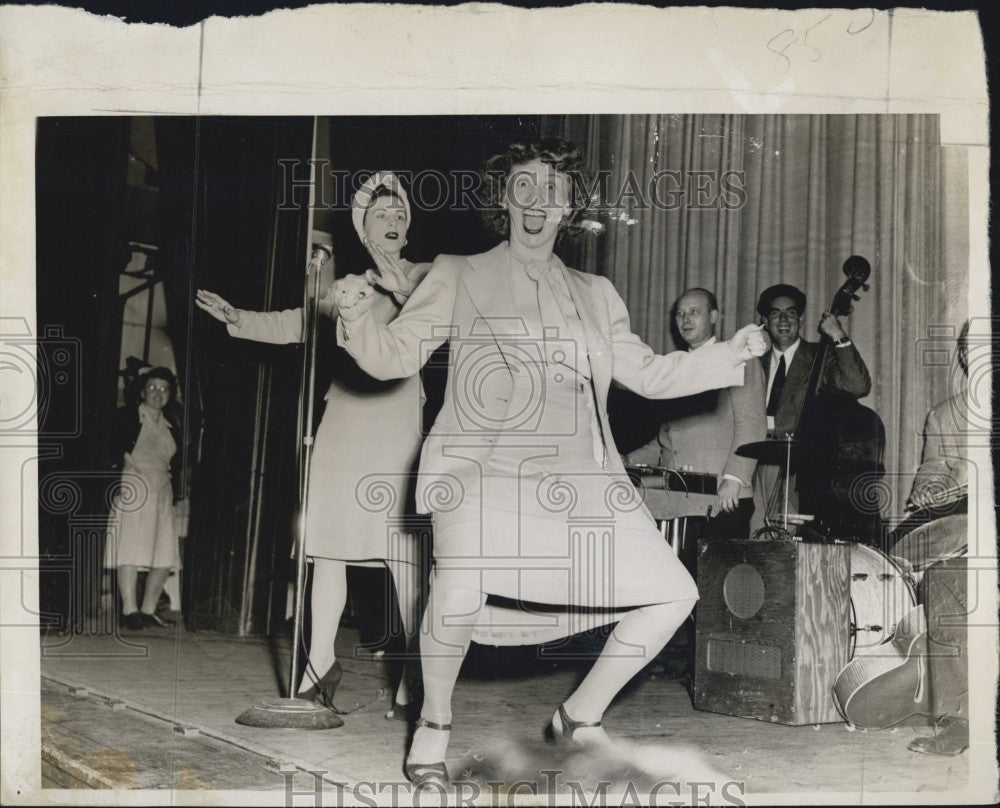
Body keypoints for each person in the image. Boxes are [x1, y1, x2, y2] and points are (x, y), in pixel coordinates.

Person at [335, 138, 769, 788]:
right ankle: (434, 722)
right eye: (525, 188)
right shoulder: (459, 272)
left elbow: (647, 373)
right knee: (457, 587)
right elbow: (394, 356)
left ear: (570, 207)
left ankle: (579, 716)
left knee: (674, 594)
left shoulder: (597, 293)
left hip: (580, 480)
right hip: (480, 470)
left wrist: (724, 355)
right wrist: (354, 314)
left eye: (554, 191)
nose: (540, 202)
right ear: (504, 201)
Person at [196, 172, 431, 717]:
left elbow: (429, 311)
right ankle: (316, 663)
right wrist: (239, 318)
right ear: (363, 229)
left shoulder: (425, 278)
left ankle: (418, 673)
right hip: (344, 420)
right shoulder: (345, 283)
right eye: (382, 216)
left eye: (400, 215)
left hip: (396, 422)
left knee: (401, 551)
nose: (393, 222)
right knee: (327, 548)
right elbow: (296, 323)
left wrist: (392, 284)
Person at [626, 288, 766, 545]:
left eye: (694, 312)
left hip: (723, 497)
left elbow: (752, 425)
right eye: (680, 313)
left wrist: (734, 480)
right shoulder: (673, 368)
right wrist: (625, 461)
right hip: (676, 500)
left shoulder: (740, 359)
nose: (685, 319)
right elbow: (664, 441)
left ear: (714, 316)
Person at [894, 321, 971, 756]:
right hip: (968, 534)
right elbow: (932, 470)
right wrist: (928, 488)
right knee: (940, 577)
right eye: (969, 350)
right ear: (961, 357)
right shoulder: (944, 415)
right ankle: (958, 720)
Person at [752, 283, 871, 530]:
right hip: (754, 461)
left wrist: (837, 334)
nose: (783, 319)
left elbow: (857, 385)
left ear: (801, 319)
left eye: (791, 313)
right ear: (765, 320)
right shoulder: (752, 361)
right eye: (775, 313)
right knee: (754, 539)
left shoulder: (820, 356)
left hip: (798, 469)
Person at [104, 367, 184, 631]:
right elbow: (113, 446)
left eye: (164, 389)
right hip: (135, 485)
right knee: (129, 544)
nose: (158, 393)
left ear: (170, 394)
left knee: (164, 551)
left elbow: (180, 459)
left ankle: (148, 610)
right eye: (152, 387)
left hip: (163, 488)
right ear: (142, 391)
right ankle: (129, 610)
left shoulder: (173, 422)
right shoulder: (127, 415)